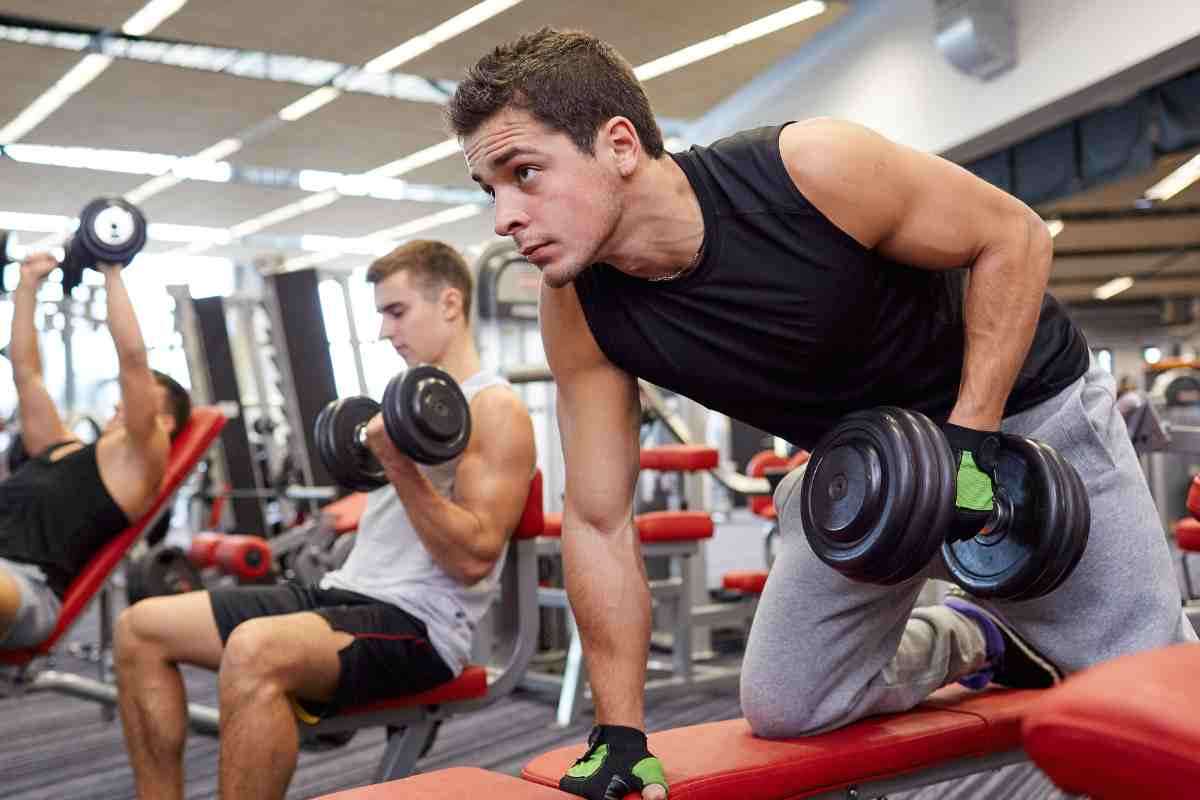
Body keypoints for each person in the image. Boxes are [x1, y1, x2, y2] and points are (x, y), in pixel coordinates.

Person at [448, 28, 1197, 800]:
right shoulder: (577, 309)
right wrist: (619, 732)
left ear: (619, 144)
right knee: (790, 706)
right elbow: (599, 520)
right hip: (869, 467)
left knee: (1154, 706)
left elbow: (1014, 235)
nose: (504, 217)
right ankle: (978, 635)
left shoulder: (809, 170)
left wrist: (969, 444)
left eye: (524, 173)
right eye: (490, 190)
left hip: (1024, 419)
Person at [114, 240, 537, 800]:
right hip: (343, 593)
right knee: (139, 628)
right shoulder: (407, 404)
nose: (386, 331)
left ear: (451, 304)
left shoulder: (494, 408)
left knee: (254, 649)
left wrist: (396, 465)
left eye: (397, 311)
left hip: (421, 626)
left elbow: (473, 559)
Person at [0, 252, 190, 650]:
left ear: (165, 424)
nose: (122, 405)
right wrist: (27, 286)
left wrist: (111, 270)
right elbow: (25, 370)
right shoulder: (59, 446)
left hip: (26, 589)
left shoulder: (137, 468)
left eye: (137, 399)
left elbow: (133, 360)